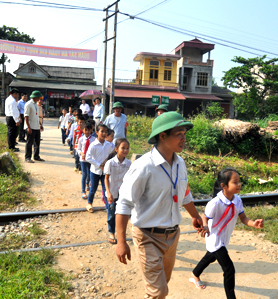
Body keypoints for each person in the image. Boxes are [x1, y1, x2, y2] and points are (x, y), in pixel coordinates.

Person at [115, 111, 207, 298]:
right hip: (147, 236)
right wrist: (121, 241)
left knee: (163, 283)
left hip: (172, 236)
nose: (184, 138)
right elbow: (124, 203)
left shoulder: (180, 163)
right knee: (158, 292)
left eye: (184, 134)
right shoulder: (143, 166)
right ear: (162, 136)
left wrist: (195, 216)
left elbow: (185, 193)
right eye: (179, 134)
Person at [190, 168, 264, 298]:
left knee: (211, 256)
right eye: (235, 182)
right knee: (229, 270)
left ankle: (195, 274)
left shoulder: (238, 201)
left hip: (224, 239)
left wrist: (253, 224)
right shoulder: (215, 203)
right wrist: (206, 226)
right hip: (214, 238)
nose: (239, 184)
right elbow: (205, 217)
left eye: (239, 181)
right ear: (223, 186)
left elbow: (243, 218)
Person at [104, 138, 131, 244]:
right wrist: (108, 193)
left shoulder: (129, 164)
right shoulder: (110, 163)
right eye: (123, 148)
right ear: (116, 149)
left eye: (127, 148)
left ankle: (121, 233)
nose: (125, 150)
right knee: (111, 213)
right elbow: (106, 179)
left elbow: (130, 179)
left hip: (124, 194)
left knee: (123, 214)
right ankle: (111, 232)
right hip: (112, 193)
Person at [85, 123, 114, 213]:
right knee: (93, 188)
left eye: (106, 132)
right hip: (95, 171)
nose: (104, 133)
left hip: (105, 171)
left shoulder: (109, 145)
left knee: (106, 189)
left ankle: (108, 206)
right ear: (97, 132)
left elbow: (112, 154)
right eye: (102, 131)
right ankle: (89, 203)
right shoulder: (93, 145)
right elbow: (87, 157)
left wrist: (107, 163)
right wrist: (99, 165)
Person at [24, 90, 45, 163]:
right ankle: (27, 157)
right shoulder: (28, 104)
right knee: (29, 143)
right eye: (39, 97)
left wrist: (40, 125)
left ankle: (36, 156)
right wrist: (28, 127)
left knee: (37, 142)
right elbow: (26, 116)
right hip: (31, 126)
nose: (39, 99)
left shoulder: (36, 104)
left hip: (36, 126)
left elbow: (36, 116)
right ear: (35, 97)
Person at [77, 122, 95, 199]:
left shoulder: (94, 140)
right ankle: (83, 191)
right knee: (84, 174)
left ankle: (88, 183)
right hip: (83, 159)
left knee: (90, 174)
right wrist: (81, 153)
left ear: (91, 130)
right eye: (85, 130)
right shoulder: (81, 139)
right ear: (83, 130)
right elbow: (78, 149)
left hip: (91, 160)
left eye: (88, 130)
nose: (87, 131)